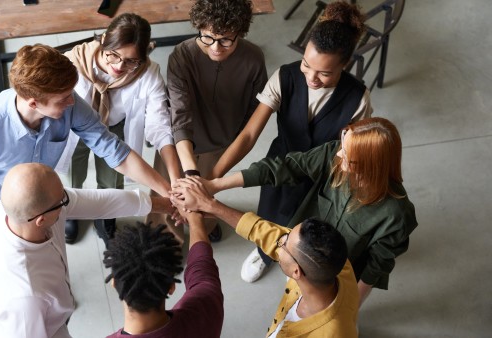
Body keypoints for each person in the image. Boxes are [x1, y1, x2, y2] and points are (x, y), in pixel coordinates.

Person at [0, 43, 171, 330]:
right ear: (33, 102)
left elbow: (113, 150)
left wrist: (167, 191)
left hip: (44, 199)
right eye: (63, 98)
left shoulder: (67, 103)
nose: (72, 102)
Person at [210, 0, 373, 283]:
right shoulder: (285, 77)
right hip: (279, 166)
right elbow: (249, 135)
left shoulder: (358, 98)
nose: (311, 77)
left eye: (324, 73)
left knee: (311, 227)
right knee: (270, 212)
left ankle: (298, 259)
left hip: (322, 177)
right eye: (306, 65)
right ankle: (264, 252)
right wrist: (212, 178)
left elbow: (352, 153)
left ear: (344, 65)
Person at [175, 117, 418, 306]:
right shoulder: (336, 153)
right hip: (299, 247)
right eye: (343, 144)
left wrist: (350, 306)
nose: (340, 154)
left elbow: (375, 268)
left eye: (350, 157)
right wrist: (215, 185)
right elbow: (285, 167)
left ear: (371, 166)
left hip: (337, 275)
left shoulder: (397, 215)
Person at [0, 163, 174, 337]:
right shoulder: (26, 297)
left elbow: (99, 202)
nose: (67, 200)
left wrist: (167, 205)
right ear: (41, 220)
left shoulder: (11, 210)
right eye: (62, 201)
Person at [149, 0, 268, 243]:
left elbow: (254, 113)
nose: (216, 47)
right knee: (169, 193)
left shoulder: (254, 59)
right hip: (181, 142)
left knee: (208, 195)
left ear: (240, 33)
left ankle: (207, 222)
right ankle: (165, 239)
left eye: (226, 40)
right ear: (199, 27)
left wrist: (231, 141)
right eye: (207, 37)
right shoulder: (182, 55)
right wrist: (191, 173)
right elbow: (180, 116)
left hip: (221, 142)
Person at [175, 180, 359, 337]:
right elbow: (266, 232)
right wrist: (211, 206)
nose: (279, 240)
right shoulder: (336, 264)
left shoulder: (333, 332)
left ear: (297, 271)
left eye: (284, 244)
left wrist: (195, 220)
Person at [62, 13, 180, 245]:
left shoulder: (147, 72)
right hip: (75, 127)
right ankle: (72, 209)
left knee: (112, 179)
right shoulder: (72, 62)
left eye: (130, 61)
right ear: (104, 40)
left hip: (114, 126)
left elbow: (159, 124)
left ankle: (105, 216)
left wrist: (175, 182)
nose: (118, 66)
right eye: (113, 55)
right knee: (72, 173)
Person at [104, 215, 223, 337]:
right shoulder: (207, 304)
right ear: (171, 286)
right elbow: (202, 267)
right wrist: (194, 219)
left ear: (113, 283)